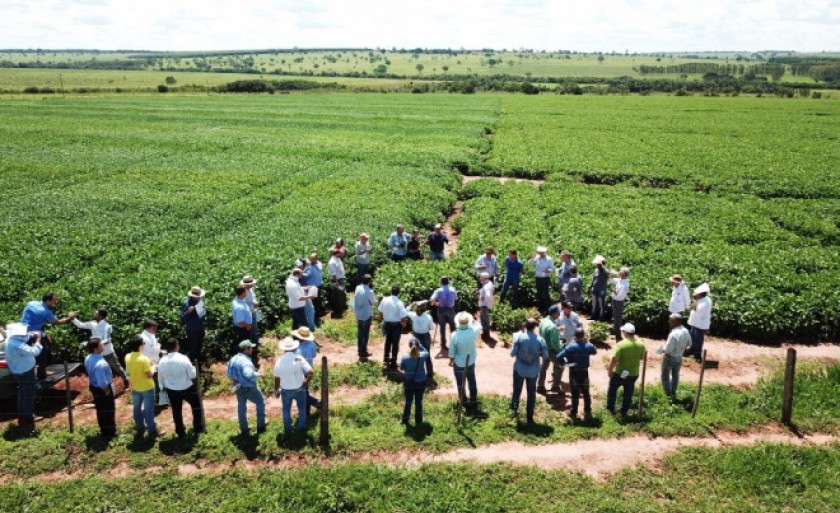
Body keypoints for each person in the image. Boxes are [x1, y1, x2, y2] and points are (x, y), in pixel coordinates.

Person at [21, 293, 77, 379]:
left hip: (21, 331)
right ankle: (41, 373)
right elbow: (58, 322)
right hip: (34, 333)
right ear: (47, 301)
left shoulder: (31, 303)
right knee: (44, 352)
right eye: (53, 302)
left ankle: (30, 371)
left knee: (26, 354)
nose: (55, 304)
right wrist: (69, 318)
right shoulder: (45, 312)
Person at [158, 338, 204, 438]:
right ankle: (198, 428)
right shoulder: (183, 358)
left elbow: (160, 377)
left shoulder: (162, 361)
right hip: (186, 387)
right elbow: (192, 375)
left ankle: (180, 432)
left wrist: (162, 388)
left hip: (171, 389)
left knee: (176, 411)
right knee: (196, 407)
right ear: (177, 346)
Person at [73, 308, 127, 386]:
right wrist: (73, 318)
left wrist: (92, 343)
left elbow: (107, 340)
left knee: (117, 367)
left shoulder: (107, 326)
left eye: (96, 314)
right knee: (100, 369)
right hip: (97, 353)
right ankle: (103, 385)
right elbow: (81, 325)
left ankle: (125, 379)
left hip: (108, 352)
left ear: (101, 316)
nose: (94, 315)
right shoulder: (92, 323)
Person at [510, 318, 548, 424]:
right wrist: (537, 353)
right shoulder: (541, 340)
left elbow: (512, 353)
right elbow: (545, 355)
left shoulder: (519, 337)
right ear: (535, 327)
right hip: (533, 370)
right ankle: (530, 415)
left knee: (516, 391)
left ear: (525, 326)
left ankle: (513, 411)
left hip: (519, 368)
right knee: (531, 393)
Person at [4, 323, 42, 428]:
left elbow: (23, 338)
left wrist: (31, 335)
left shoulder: (10, 339)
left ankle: (22, 416)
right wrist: (38, 340)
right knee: (28, 395)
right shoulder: (18, 345)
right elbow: (35, 351)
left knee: (22, 393)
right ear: (18, 334)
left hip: (17, 371)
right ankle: (28, 419)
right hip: (26, 371)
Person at [605, 323, 646, 417]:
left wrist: (610, 370)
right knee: (628, 393)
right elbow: (641, 357)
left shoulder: (621, 344)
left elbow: (615, 359)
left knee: (612, 390)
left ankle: (610, 409)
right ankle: (624, 411)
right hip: (634, 373)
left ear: (625, 332)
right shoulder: (641, 344)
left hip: (620, 373)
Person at [273, 337, 313, 432]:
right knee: (302, 408)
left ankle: (288, 429)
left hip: (285, 389)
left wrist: (276, 390)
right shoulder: (298, 358)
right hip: (299, 388)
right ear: (294, 348)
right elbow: (311, 372)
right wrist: (306, 382)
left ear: (284, 349)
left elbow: (277, 378)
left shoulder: (279, 361)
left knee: (286, 410)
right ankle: (301, 427)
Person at [557, 327, 597, 421]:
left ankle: (574, 412)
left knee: (574, 392)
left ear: (574, 336)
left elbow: (559, 356)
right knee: (586, 392)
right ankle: (587, 411)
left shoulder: (571, 347)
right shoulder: (588, 346)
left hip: (574, 372)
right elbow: (594, 351)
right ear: (583, 336)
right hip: (584, 372)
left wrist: (567, 364)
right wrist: (587, 341)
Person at [227, 340, 266, 435]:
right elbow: (247, 374)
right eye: (250, 347)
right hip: (249, 387)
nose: (252, 349)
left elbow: (228, 373)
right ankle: (261, 426)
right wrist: (259, 374)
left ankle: (244, 429)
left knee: (241, 406)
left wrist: (236, 381)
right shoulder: (246, 361)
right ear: (246, 349)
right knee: (261, 402)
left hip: (237, 387)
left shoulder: (233, 359)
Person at [125, 335, 157, 437]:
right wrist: (154, 366)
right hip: (147, 388)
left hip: (135, 387)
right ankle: (152, 430)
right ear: (140, 346)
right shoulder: (144, 359)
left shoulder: (128, 357)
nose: (144, 345)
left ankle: (140, 427)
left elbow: (129, 373)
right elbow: (149, 375)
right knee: (149, 410)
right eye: (143, 343)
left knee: (137, 408)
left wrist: (149, 363)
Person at [84, 338, 117, 437]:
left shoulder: (89, 357)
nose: (103, 346)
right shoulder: (100, 364)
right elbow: (102, 383)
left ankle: (104, 430)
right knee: (108, 410)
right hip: (102, 389)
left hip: (93, 386)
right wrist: (107, 391)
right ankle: (111, 432)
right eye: (101, 345)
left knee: (101, 410)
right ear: (96, 348)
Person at [657, 314, 693, 399]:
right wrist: (681, 348)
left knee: (665, 376)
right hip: (679, 357)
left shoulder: (674, 334)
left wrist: (661, 349)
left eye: (670, 320)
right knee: (675, 375)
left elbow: (668, 349)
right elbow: (689, 344)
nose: (669, 322)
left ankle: (668, 395)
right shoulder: (685, 331)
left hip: (670, 357)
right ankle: (673, 391)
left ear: (675, 322)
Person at [450, 312, 482, 406]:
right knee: (471, 380)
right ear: (468, 322)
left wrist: (451, 359)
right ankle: (473, 399)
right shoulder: (473, 331)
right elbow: (479, 326)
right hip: (470, 361)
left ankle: (463, 399)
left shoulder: (454, 335)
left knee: (460, 382)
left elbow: (452, 350)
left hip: (459, 363)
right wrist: (473, 320)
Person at [399, 338, 430, 426]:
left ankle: (405, 420)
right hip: (421, 381)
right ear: (418, 346)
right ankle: (419, 421)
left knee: (408, 401)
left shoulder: (405, 357)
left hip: (409, 381)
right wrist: (420, 345)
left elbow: (401, 368)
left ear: (409, 346)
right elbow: (426, 351)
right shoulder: (423, 355)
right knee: (418, 402)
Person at [292, 327, 321, 414]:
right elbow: (314, 355)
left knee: (299, 393)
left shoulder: (297, 349)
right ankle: (306, 412)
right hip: (309, 371)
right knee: (305, 390)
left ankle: (317, 402)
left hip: (300, 373)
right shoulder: (312, 344)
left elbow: (295, 362)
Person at [378, 285, 408, 367]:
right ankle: (393, 361)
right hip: (396, 325)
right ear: (399, 293)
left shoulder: (385, 300)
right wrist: (404, 324)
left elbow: (380, 312)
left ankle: (386, 358)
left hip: (387, 323)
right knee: (395, 343)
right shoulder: (399, 303)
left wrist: (383, 320)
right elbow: (403, 316)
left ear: (391, 291)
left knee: (388, 341)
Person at [538, 305, 562, 394]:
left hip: (543, 348)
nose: (560, 314)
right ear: (555, 313)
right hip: (551, 350)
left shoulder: (543, 321)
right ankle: (555, 386)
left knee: (543, 367)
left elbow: (540, 333)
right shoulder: (553, 327)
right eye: (559, 312)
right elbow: (555, 345)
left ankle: (540, 386)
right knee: (560, 365)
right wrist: (562, 347)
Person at [406, 300, 435, 376]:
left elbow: (405, 311)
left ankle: (416, 372)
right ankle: (430, 373)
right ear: (425, 308)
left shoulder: (413, 315)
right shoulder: (428, 317)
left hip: (416, 336)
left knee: (415, 353)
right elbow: (432, 328)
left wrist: (412, 304)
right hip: (425, 336)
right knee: (427, 354)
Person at [180, 286, 206, 363]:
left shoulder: (200, 301)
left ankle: (198, 364)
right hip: (192, 330)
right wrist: (188, 312)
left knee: (199, 347)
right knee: (192, 349)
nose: (198, 298)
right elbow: (182, 318)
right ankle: (191, 365)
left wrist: (204, 309)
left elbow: (203, 315)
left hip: (200, 328)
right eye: (197, 297)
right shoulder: (186, 303)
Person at [686, 283, 713, 360]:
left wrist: (695, 303)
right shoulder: (701, 299)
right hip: (695, 322)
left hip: (700, 324)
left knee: (698, 339)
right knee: (693, 337)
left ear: (701, 294)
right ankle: (692, 350)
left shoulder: (706, 301)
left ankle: (697, 354)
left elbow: (699, 309)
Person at [353, 274, 376, 359]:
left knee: (360, 332)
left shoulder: (357, 288)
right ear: (370, 281)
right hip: (366, 314)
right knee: (365, 334)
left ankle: (359, 350)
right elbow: (373, 302)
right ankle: (363, 352)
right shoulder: (370, 291)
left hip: (358, 313)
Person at [430, 276, 457, 349]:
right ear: (448, 281)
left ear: (441, 282)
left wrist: (436, 303)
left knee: (442, 328)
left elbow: (432, 299)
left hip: (441, 309)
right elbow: (455, 298)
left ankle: (443, 344)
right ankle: (454, 343)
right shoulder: (452, 289)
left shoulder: (438, 290)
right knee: (453, 327)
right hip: (451, 309)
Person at [529, 246, 555, 314]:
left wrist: (547, 270)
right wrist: (532, 258)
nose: (541, 254)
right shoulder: (537, 258)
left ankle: (548, 309)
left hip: (545, 278)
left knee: (545, 294)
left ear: (545, 253)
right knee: (539, 293)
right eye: (540, 253)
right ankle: (540, 308)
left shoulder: (549, 259)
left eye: (542, 253)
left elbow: (552, 269)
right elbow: (530, 264)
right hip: (538, 278)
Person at [610, 267, 631, 340]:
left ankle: (618, 335)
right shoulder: (620, 279)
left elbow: (619, 295)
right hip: (615, 300)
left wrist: (613, 291)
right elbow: (611, 281)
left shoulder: (625, 284)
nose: (619, 272)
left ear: (624, 274)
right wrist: (611, 275)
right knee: (615, 317)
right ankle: (615, 331)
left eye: (620, 272)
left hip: (618, 302)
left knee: (618, 319)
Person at [232, 285, 254, 352]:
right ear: (243, 293)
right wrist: (248, 326)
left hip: (243, 328)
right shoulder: (240, 307)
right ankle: (245, 356)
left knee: (244, 344)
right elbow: (240, 322)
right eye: (245, 291)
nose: (247, 292)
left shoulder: (237, 300)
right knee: (245, 345)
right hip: (243, 329)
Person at [588, 255, 611, 321]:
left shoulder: (605, 270)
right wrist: (590, 286)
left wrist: (602, 267)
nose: (597, 265)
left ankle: (601, 318)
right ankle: (593, 316)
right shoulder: (596, 270)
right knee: (594, 304)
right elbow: (593, 279)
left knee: (601, 305)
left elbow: (608, 274)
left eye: (598, 264)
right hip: (594, 289)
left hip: (602, 290)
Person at [302, 252, 324, 317]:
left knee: (318, 300)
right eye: (311, 259)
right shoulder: (309, 267)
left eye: (314, 259)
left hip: (318, 285)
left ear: (316, 259)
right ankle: (315, 315)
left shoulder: (319, 264)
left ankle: (318, 313)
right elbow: (305, 275)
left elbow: (320, 271)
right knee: (314, 301)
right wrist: (300, 274)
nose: (312, 260)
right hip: (312, 287)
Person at [327, 248, 347, 317]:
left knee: (342, 293)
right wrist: (336, 282)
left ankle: (342, 307)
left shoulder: (337, 259)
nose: (342, 255)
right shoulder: (332, 262)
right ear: (337, 254)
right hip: (337, 280)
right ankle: (338, 310)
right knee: (338, 294)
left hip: (341, 278)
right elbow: (333, 274)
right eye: (340, 253)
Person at [477, 272, 495, 339]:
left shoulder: (486, 286)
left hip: (484, 305)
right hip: (487, 304)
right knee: (485, 318)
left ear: (484, 278)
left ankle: (486, 334)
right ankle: (486, 333)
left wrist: (480, 298)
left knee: (484, 319)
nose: (479, 278)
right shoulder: (490, 283)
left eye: (480, 277)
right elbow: (493, 291)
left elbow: (487, 295)